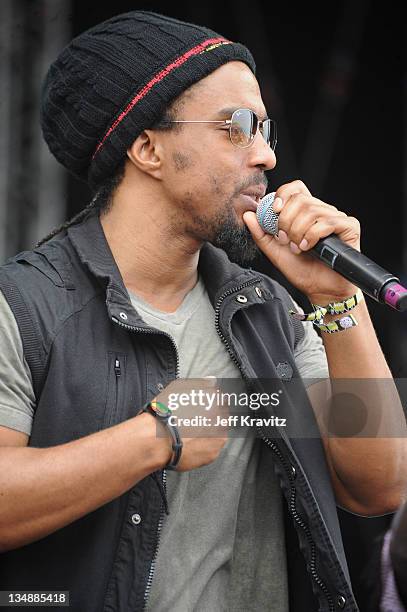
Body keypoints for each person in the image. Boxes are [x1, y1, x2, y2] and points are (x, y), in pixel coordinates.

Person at [0, 10, 405, 612]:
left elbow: (379, 485)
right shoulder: (26, 305)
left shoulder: (270, 316)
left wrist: (336, 300)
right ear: (148, 148)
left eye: (264, 128)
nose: (267, 154)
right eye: (238, 126)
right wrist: (155, 436)